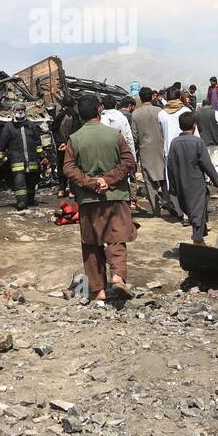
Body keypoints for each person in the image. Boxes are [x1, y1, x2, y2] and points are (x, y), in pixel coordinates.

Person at [62, 94, 137, 306]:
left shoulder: (74, 139)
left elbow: (68, 168)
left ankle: (98, 292)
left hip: (88, 199)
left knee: (91, 243)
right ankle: (118, 277)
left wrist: (90, 182)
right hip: (116, 196)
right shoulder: (114, 135)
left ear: (80, 114)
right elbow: (129, 161)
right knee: (116, 238)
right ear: (99, 110)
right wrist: (108, 180)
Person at [166, 110, 218, 244]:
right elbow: (207, 165)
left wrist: (172, 187)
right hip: (196, 183)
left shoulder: (174, 143)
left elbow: (170, 166)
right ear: (194, 126)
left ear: (180, 126)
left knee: (194, 208)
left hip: (180, 183)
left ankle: (201, 231)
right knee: (198, 210)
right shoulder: (198, 142)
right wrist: (217, 182)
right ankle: (197, 239)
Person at [0, 100, 45, 210]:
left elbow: (37, 142)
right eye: (18, 110)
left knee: (31, 182)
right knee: (20, 182)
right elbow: (2, 143)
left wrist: (41, 154)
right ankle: (21, 202)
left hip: (32, 160)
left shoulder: (31, 125)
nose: (20, 112)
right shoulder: (8, 127)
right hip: (17, 161)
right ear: (13, 112)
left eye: (22, 110)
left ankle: (30, 199)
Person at [130, 87, 169, 216]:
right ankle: (167, 200)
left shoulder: (136, 114)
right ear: (152, 97)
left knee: (149, 180)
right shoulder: (160, 111)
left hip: (145, 150)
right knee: (164, 176)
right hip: (161, 147)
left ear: (140, 98)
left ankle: (156, 210)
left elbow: (134, 136)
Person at [192, 99, 218, 177]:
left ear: (202, 105)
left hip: (202, 141)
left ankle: (207, 178)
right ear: (210, 105)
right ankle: (217, 177)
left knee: (206, 161)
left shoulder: (196, 114)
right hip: (215, 139)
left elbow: (194, 128)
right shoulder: (214, 112)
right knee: (216, 160)